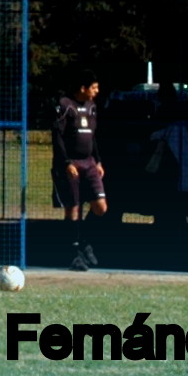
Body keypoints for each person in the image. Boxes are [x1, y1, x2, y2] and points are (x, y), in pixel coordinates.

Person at [53, 76, 108, 270]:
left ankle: (84, 240)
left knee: (100, 207)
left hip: (90, 163)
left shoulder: (92, 106)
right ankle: (72, 253)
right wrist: (66, 162)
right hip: (72, 164)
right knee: (73, 208)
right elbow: (57, 136)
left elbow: (93, 137)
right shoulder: (65, 105)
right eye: (94, 87)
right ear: (83, 87)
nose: (96, 91)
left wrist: (98, 160)